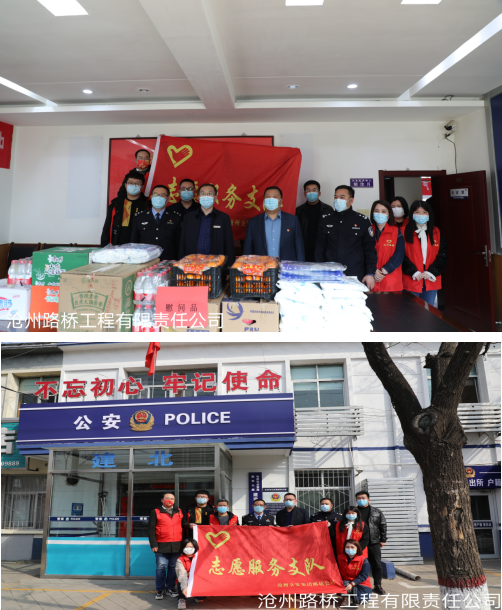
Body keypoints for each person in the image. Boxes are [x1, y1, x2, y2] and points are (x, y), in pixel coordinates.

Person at [315, 185, 377, 289]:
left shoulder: (362, 221)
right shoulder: (326, 220)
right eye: (335, 197)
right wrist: (320, 270)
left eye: (342, 197)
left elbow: (369, 249)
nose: (337, 200)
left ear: (351, 200)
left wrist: (370, 273)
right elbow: (319, 247)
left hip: (355, 273)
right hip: (330, 273)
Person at [402, 200, 448, 306]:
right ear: (412, 214)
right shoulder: (403, 231)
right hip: (411, 278)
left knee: (428, 311)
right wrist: (413, 272)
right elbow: (401, 255)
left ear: (429, 214)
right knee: (411, 311)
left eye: (424, 212)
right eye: (417, 212)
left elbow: (443, 255)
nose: (421, 215)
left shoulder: (437, 232)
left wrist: (431, 272)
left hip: (430, 279)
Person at [178, 184, 235, 266]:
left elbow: (229, 244)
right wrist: (181, 263)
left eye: (209, 194)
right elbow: (182, 243)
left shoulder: (223, 218)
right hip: (192, 264)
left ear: (215, 197)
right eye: (203, 193)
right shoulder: (188, 217)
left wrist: (228, 266)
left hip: (215, 265)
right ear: (198, 197)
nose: (206, 196)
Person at [243, 186, 305, 261]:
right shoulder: (253, 222)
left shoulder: (293, 220)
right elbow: (247, 250)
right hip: (262, 266)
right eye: (268, 197)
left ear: (281, 201)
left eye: (275, 197)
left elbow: (299, 247)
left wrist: (301, 266)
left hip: (287, 266)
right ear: (264, 200)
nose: (271, 199)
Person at [148, 492, 185, 600]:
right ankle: (160, 589)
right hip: (161, 544)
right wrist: (153, 544)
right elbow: (151, 529)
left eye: (172, 498)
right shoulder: (155, 512)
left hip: (176, 544)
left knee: (173, 567)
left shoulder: (179, 511)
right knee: (161, 567)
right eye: (167, 498)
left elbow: (183, 524)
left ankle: (171, 588)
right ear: (162, 500)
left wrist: (191, 525)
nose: (169, 500)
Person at [130, 184, 182, 260]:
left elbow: (179, 243)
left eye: (162, 195)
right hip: (146, 260)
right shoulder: (140, 217)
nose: (158, 197)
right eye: (155, 194)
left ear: (168, 199)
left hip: (168, 261)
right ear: (151, 197)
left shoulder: (175, 217)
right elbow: (134, 242)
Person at [101, 171, 149, 246]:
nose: (133, 186)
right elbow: (107, 229)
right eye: (130, 183)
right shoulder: (115, 205)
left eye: (137, 184)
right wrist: (104, 247)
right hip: (117, 247)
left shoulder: (148, 205)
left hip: (140, 248)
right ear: (126, 185)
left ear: (142, 187)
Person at [355, 491, 388, 595]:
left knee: (376, 564)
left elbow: (383, 525)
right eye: (359, 498)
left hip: (373, 541)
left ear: (368, 499)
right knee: (357, 564)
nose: (361, 500)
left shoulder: (377, 512)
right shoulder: (353, 512)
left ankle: (378, 585)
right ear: (356, 500)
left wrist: (383, 539)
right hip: (358, 543)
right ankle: (357, 584)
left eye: (363, 498)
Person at [370, 199, 404, 292]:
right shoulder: (368, 231)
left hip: (391, 281)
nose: (380, 214)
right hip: (371, 279)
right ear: (372, 213)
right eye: (377, 211)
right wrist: (373, 269)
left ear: (389, 215)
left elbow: (399, 254)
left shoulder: (396, 232)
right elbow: (362, 252)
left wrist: (385, 270)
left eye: (383, 211)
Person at [296, 180, 332, 262]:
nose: (311, 192)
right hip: (305, 249)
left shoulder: (328, 209)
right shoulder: (299, 211)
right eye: (308, 190)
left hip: (323, 249)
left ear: (319, 193)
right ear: (304, 194)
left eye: (314, 190)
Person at [337, 539, 373, 607]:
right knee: (345, 584)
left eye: (352, 547)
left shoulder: (363, 560)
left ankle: (352, 592)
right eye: (347, 547)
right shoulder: (339, 558)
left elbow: (363, 576)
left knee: (362, 601)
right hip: (345, 581)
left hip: (361, 583)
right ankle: (346, 598)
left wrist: (353, 584)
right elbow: (335, 572)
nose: (349, 549)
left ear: (357, 548)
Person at [175, 538, 204, 608]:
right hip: (185, 580)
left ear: (195, 548)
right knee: (180, 582)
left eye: (191, 547)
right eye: (187, 547)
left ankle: (196, 596)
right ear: (183, 548)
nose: (189, 548)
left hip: (196, 581)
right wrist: (184, 588)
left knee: (202, 597)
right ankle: (181, 599)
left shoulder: (199, 558)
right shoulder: (180, 560)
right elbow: (182, 574)